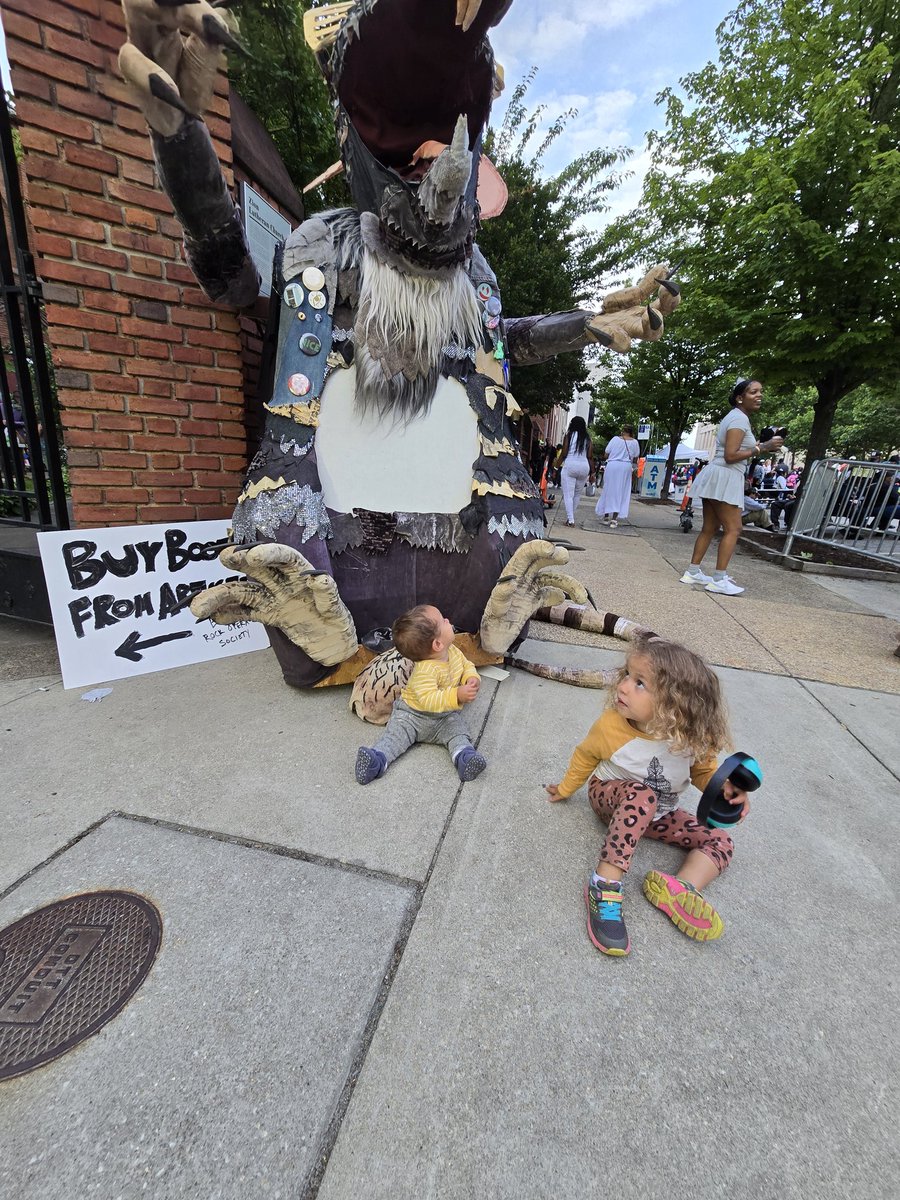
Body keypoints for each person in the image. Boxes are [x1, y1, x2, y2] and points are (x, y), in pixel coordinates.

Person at [545, 635, 749, 956]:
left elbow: (703, 773)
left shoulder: (691, 739)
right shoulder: (612, 726)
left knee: (720, 841)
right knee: (642, 796)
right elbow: (585, 755)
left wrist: (726, 791)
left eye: (640, 683)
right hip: (610, 798)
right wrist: (566, 788)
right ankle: (604, 886)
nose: (623, 686)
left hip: (660, 813)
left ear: (676, 706)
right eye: (627, 674)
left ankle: (680, 887)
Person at [356, 604, 486, 785]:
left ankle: (464, 757)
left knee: (457, 732)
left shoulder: (453, 651)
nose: (448, 621)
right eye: (443, 621)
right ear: (437, 644)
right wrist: (456, 695)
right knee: (395, 738)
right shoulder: (425, 670)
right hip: (411, 716)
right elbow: (427, 699)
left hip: (443, 717)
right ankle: (377, 761)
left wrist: (471, 678)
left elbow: (466, 665)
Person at [680, 379, 783, 595]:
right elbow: (731, 456)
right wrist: (762, 447)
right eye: (753, 392)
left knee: (710, 528)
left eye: (760, 392)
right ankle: (718, 578)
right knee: (734, 529)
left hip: (718, 475)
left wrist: (759, 448)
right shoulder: (738, 419)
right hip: (725, 476)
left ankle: (693, 571)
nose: (759, 395)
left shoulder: (735, 418)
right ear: (740, 397)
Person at [595, 424, 640, 527]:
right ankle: (614, 519)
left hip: (612, 465)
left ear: (622, 431)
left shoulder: (615, 439)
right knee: (621, 491)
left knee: (608, 489)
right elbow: (635, 458)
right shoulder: (635, 442)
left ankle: (606, 516)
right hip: (625, 467)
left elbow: (606, 454)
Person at [557, 415, 595, 526]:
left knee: (568, 495)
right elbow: (590, 456)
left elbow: (564, 453)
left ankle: (571, 520)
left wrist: (556, 466)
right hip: (584, 467)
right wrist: (592, 472)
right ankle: (570, 518)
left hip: (571, 465)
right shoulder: (587, 438)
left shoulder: (569, 435)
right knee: (577, 494)